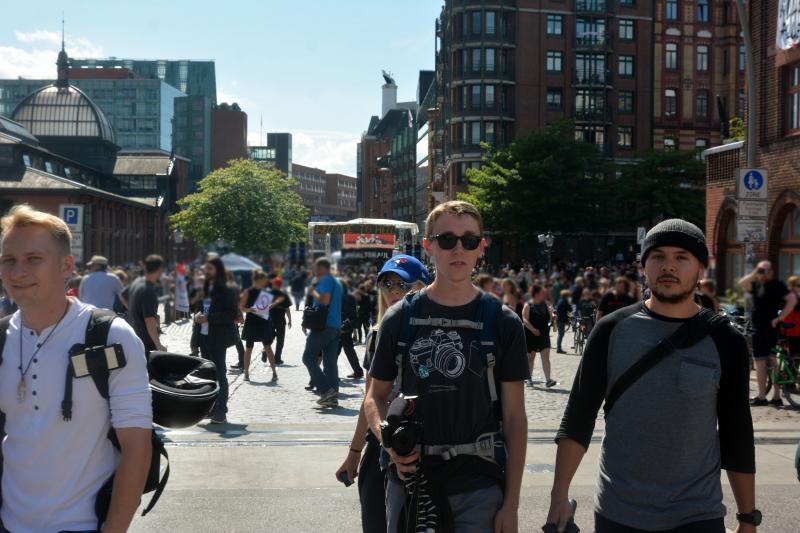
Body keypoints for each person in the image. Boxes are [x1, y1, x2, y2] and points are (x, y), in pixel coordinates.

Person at [547, 219, 757, 533]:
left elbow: (736, 431)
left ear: (701, 268)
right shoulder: (611, 330)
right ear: (644, 266)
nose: (668, 266)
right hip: (619, 512)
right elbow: (578, 416)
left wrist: (747, 518)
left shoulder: (727, 341)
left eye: (681, 257)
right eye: (658, 256)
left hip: (698, 515)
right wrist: (558, 496)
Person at [365, 201, 529, 533]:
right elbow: (374, 396)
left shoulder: (503, 322)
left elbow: (514, 419)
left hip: (479, 487)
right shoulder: (400, 317)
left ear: (481, 247)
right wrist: (388, 439)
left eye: (469, 240)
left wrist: (511, 504)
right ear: (428, 246)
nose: (459, 248)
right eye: (447, 239)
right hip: (410, 483)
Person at [0, 204, 152, 532]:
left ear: (66, 265)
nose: (17, 272)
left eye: (33, 259)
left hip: (82, 525)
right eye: (8, 260)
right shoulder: (2, 338)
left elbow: (137, 447)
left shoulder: (109, 336)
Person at [335, 254, 430, 533]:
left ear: (423, 286)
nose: (394, 291)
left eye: (403, 284)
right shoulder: (376, 335)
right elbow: (370, 400)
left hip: (427, 446)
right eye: (387, 284)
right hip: (382, 444)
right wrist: (354, 452)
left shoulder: (436, 332)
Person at [738, 260, 798, 406]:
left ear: (771, 272)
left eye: (765, 270)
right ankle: (776, 397)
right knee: (772, 360)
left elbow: (792, 299)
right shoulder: (756, 284)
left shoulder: (777, 285)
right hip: (763, 326)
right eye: (760, 270)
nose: (762, 273)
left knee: (760, 362)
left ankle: (762, 396)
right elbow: (742, 283)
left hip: (766, 328)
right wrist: (756, 272)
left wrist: (780, 317)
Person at [194, 257, 238, 423]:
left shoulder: (227, 289)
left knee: (220, 373)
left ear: (218, 270)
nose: (207, 271)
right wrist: (198, 314)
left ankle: (222, 410)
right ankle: (211, 407)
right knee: (208, 374)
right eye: (206, 268)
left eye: (210, 269)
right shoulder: (205, 288)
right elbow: (200, 307)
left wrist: (209, 318)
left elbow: (231, 314)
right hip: (204, 336)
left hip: (218, 338)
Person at [301, 257, 343, 407]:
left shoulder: (325, 280)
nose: (314, 270)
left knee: (308, 358)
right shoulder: (336, 282)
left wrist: (313, 292)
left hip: (323, 326)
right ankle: (333, 396)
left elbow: (324, 301)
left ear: (322, 268)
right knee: (330, 363)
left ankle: (326, 391)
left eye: (316, 267)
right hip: (335, 326)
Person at [239, 270, 278, 383]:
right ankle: (246, 373)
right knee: (249, 348)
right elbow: (241, 307)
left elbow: (268, 306)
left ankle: (274, 373)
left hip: (263, 321)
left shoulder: (266, 292)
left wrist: (269, 306)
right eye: (264, 278)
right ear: (259, 280)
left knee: (268, 347)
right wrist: (249, 309)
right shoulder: (248, 291)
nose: (266, 280)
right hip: (251, 321)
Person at [126, 254, 167, 355]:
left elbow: (123, 295)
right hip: (145, 340)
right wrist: (158, 344)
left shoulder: (137, 282)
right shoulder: (148, 291)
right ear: (160, 269)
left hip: (134, 334)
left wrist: (134, 310)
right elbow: (149, 320)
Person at [523, 284, 556, 388]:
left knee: (545, 357)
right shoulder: (528, 305)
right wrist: (532, 329)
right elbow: (524, 319)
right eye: (542, 293)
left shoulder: (546, 304)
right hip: (530, 334)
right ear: (536, 294)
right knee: (531, 357)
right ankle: (528, 378)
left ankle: (548, 380)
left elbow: (549, 318)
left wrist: (553, 316)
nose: (544, 295)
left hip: (544, 333)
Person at [340, 280, 364, 379]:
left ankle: (332, 373)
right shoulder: (350, 297)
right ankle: (358, 371)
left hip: (339, 327)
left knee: (334, 352)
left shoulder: (337, 297)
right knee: (349, 351)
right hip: (347, 327)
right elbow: (354, 314)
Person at [267, 276, 292, 365]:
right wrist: (290, 320)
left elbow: (261, 308)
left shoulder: (267, 293)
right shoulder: (283, 295)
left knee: (269, 337)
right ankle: (277, 358)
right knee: (280, 340)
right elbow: (287, 309)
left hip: (269, 319)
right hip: (281, 320)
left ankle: (264, 350)